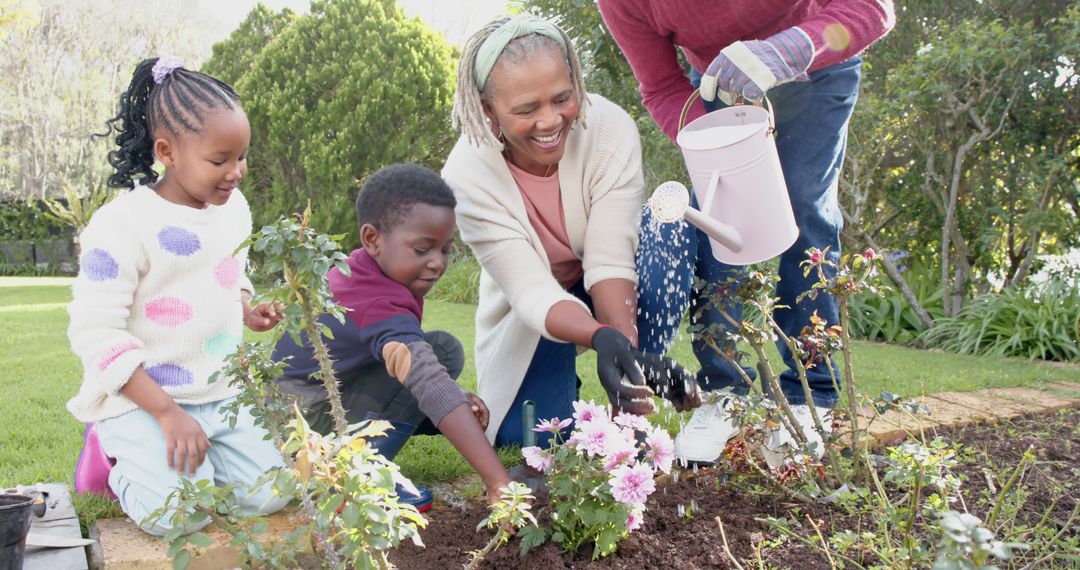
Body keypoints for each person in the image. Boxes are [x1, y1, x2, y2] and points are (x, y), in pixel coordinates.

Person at [596, 0, 896, 465]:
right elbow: (659, 86)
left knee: (803, 214)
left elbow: (871, 9)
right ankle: (727, 392)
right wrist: (710, 142)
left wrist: (784, 51)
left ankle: (811, 395)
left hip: (817, 70)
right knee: (722, 228)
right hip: (719, 91)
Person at [442, 15, 701, 448]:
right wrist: (600, 338)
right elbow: (531, 292)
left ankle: (634, 394)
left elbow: (611, 257)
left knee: (668, 227)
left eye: (562, 98)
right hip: (536, 311)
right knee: (527, 436)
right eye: (526, 110)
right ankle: (572, 384)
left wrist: (625, 355)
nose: (550, 121)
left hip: (613, 288)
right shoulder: (466, 174)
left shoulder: (608, 128)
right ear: (489, 110)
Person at [67, 56, 289, 535]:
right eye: (219, 160)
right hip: (146, 399)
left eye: (242, 156)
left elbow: (230, 272)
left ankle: (188, 463)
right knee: (178, 515)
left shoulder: (233, 210)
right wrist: (166, 412)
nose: (236, 172)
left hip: (218, 391)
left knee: (271, 493)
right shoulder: (122, 224)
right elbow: (94, 331)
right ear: (167, 151)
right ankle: (111, 460)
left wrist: (248, 309)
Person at [272, 163, 513, 509]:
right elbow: (424, 377)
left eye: (445, 249)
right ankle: (355, 480)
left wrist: (455, 397)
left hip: (302, 414)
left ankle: (352, 467)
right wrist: (499, 482)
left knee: (441, 348)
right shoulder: (377, 300)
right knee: (434, 358)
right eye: (422, 249)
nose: (437, 263)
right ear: (373, 239)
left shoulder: (359, 271)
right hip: (299, 430)